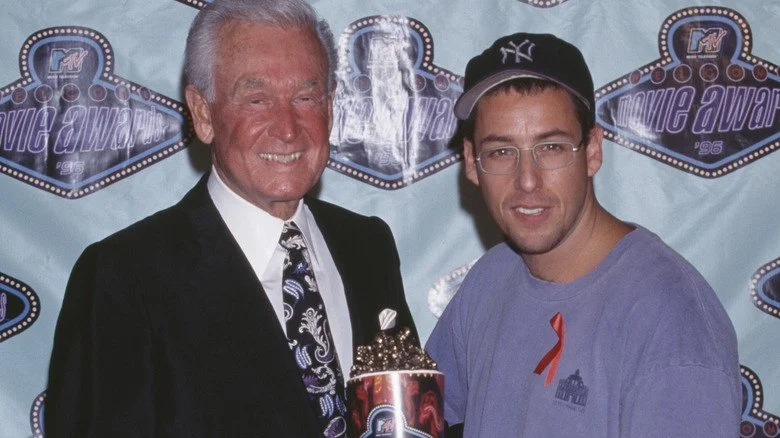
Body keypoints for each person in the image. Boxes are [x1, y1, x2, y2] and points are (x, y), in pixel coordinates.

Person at [45, 0, 416, 436]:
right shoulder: (124, 279)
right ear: (203, 113)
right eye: (257, 99)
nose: (288, 127)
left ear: (331, 106)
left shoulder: (367, 247)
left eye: (306, 97)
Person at [425, 32, 740, 437]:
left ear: (592, 151)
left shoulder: (671, 321)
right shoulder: (491, 278)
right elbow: (417, 413)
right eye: (501, 151)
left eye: (551, 147)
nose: (526, 181)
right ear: (471, 162)